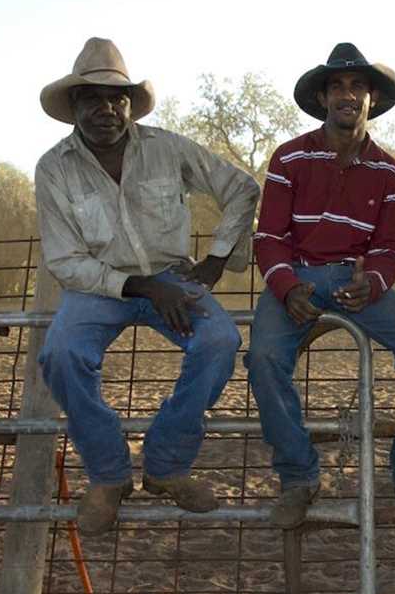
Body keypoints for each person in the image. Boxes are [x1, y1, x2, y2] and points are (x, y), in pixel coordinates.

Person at [35, 37, 261, 534]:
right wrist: (140, 287)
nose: (107, 109)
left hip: (172, 275)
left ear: (130, 105)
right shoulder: (54, 168)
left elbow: (242, 187)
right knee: (61, 355)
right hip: (98, 284)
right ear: (74, 105)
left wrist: (219, 258)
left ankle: (166, 464)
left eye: (117, 98)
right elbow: (64, 260)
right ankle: (109, 475)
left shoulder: (168, 148)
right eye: (92, 98)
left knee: (220, 340)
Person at [246, 43, 395, 528]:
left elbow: (391, 247)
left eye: (357, 87)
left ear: (372, 99)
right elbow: (268, 237)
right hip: (298, 275)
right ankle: (299, 478)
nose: (347, 95)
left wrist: (373, 281)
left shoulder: (389, 170)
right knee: (262, 357)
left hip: (356, 279)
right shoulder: (288, 158)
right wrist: (287, 287)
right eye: (336, 87)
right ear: (324, 99)